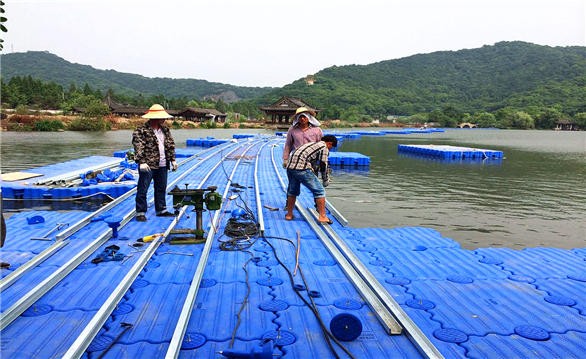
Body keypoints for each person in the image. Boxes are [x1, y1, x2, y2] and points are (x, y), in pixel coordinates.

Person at [132, 104, 178, 222]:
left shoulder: (165, 130)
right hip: (148, 164)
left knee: (161, 187)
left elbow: (170, 145)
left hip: (162, 163)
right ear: (154, 118)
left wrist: (172, 159)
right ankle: (140, 212)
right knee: (143, 188)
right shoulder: (141, 130)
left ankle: (161, 209)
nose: (164, 119)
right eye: (161, 117)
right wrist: (141, 161)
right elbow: (138, 146)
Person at [285, 135, 338, 224]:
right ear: (330, 143)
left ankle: (289, 215)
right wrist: (325, 179)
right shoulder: (324, 147)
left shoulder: (311, 144)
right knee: (320, 191)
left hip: (290, 167)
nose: (330, 149)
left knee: (292, 191)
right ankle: (322, 217)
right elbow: (323, 165)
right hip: (302, 169)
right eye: (331, 147)